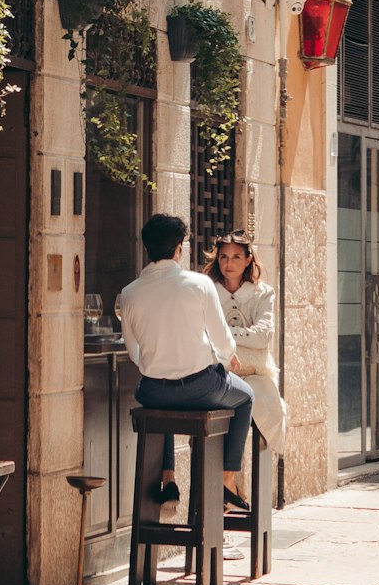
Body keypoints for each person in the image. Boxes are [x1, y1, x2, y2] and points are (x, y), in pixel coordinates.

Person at [120, 212, 254, 512]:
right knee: (246, 397)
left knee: (162, 406)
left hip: (154, 391)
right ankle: (226, 483)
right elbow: (223, 343)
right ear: (179, 247)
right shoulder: (199, 284)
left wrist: (163, 366)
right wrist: (225, 357)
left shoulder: (128, 294)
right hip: (201, 388)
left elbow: (135, 354)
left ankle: (168, 482)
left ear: (147, 248)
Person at [204, 230, 287, 456]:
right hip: (217, 375)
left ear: (248, 259)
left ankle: (236, 483)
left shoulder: (262, 294)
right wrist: (241, 339)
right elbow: (202, 335)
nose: (228, 263)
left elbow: (262, 337)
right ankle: (226, 483)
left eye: (236, 257)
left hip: (255, 375)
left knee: (264, 404)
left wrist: (222, 335)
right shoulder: (207, 291)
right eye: (223, 257)